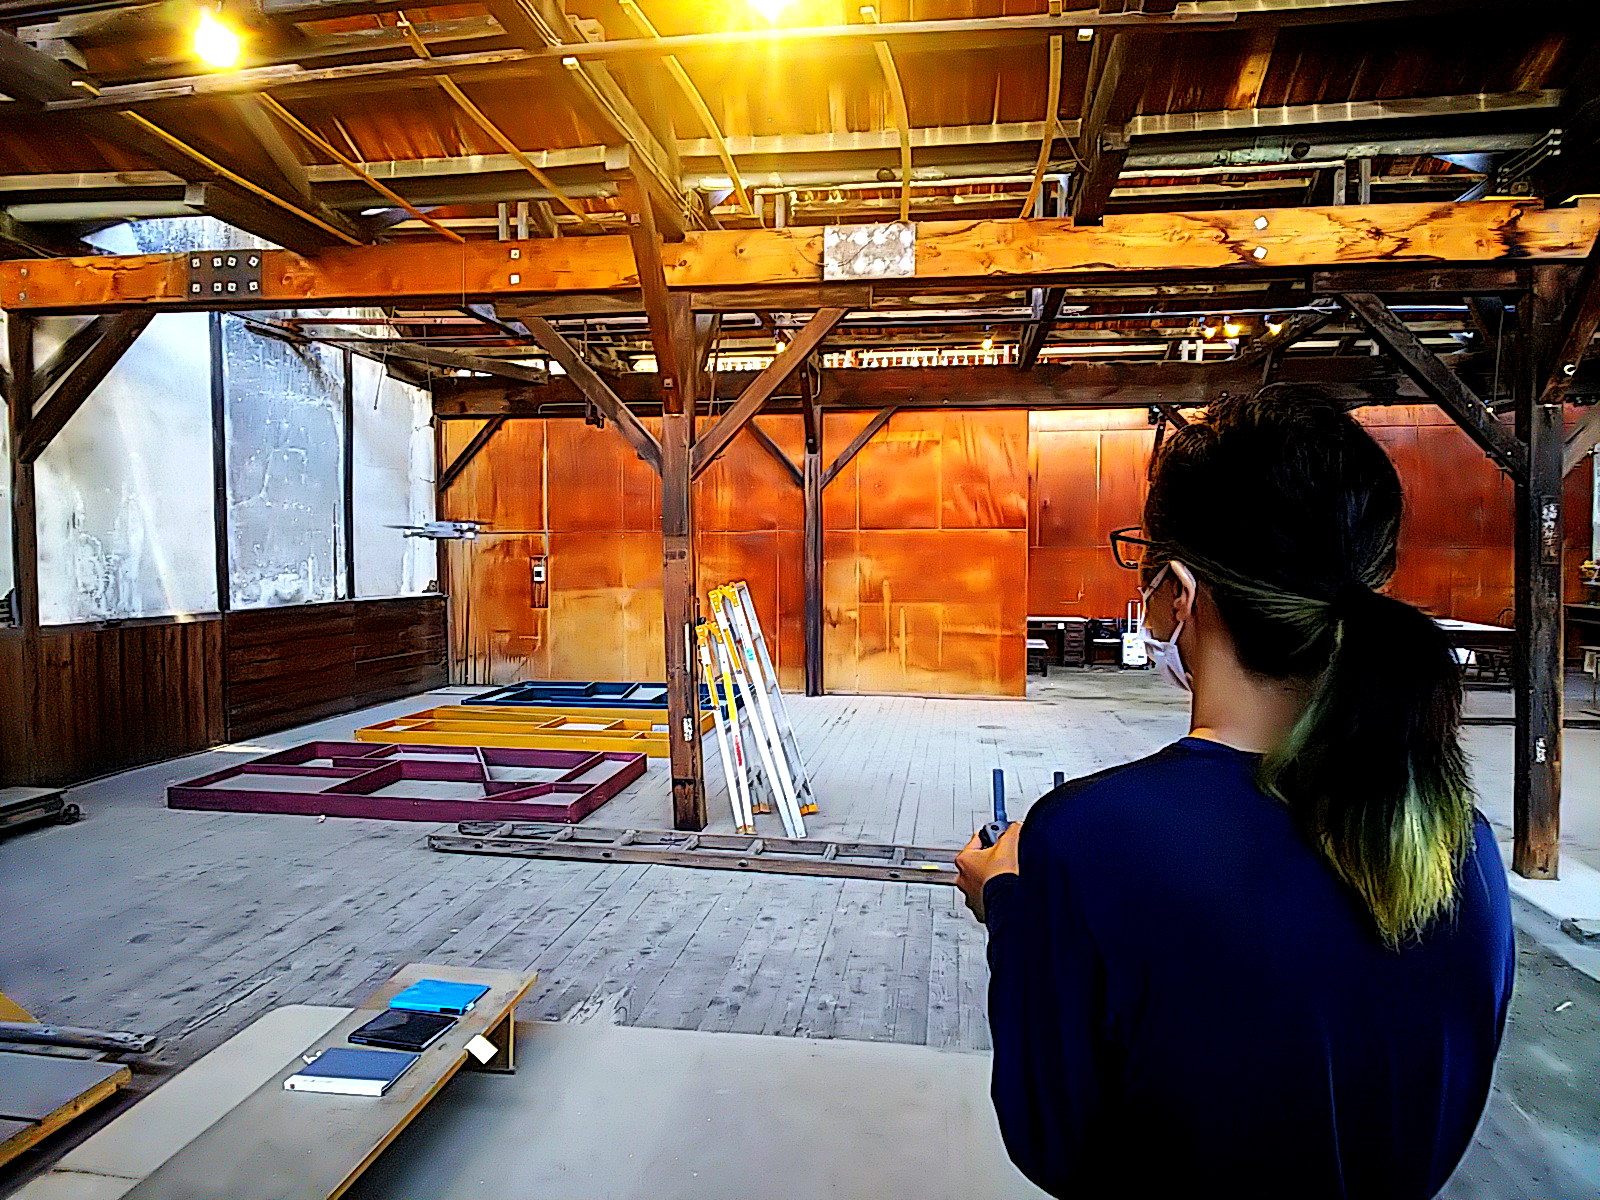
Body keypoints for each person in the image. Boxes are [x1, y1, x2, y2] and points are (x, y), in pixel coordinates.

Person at [955, 387, 1513, 1200]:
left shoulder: (1089, 839)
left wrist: (1010, 903)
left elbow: (1054, 1138)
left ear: (1178, 594)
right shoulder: (1457, 839)